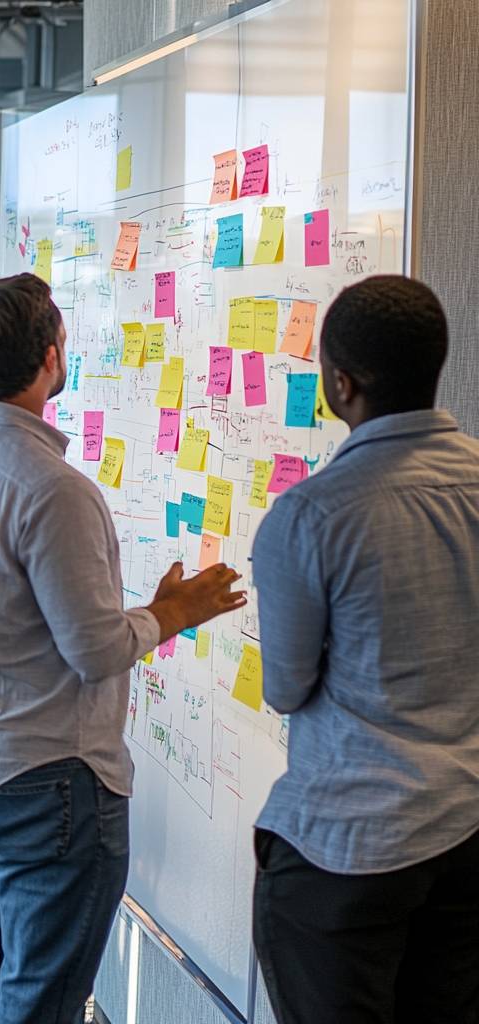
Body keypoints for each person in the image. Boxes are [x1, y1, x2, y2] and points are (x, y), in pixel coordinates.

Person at [0, 272, 247, 1024]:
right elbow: (94, 650)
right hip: (42, 779)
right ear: (55, 357)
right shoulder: (53, 487)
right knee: (39, 1002)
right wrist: (171, 611)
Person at [251, 275, 479, 1024]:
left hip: (348, 848)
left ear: (339, 383)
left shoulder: (314, 513)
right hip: (465, 832)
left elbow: (285, 686)